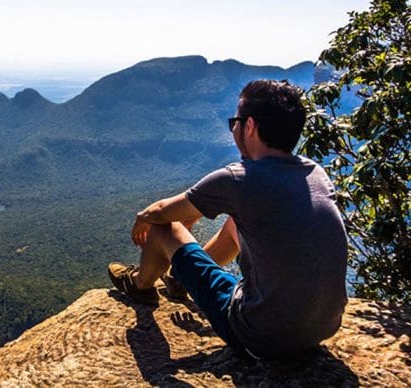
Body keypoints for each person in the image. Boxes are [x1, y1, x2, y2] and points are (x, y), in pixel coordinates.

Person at [108, 80, 348, 359]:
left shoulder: (238, 179)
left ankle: (141, 287)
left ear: (249, 127)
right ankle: (180, 281)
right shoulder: (315, 172)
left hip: (258, 336)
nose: (233, 128)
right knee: (237, 221)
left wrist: (142, 218)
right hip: (323, 328)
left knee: (163, 229)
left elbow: (161, 212)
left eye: (235, 121)